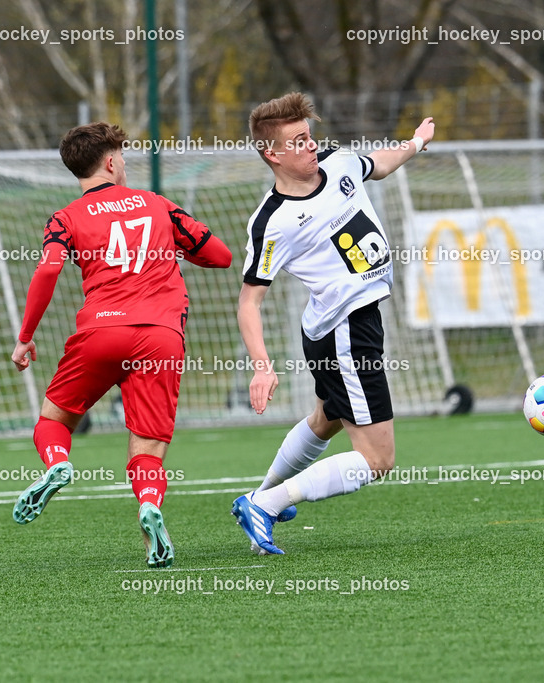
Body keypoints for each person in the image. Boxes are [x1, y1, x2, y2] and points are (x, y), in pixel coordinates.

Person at [10, 122, 232, 568]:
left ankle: (57, 463)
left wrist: (26, 338)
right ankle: (149, 507)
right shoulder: (157, 206)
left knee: (53, 420)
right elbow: (221, 256)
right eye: (122, 157)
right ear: (111, 162)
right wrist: (170, 246)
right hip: (160, 337)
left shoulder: (66, 217)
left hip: (100, 333)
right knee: (147, 445)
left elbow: (48, 272)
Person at [232, 92, 434, 554]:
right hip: (346, 331)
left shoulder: (338, 162)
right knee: (379, 458)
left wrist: (416, 143)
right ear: (271, 154)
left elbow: (378, 164)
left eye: (308, 136)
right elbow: (249, 302)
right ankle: (264, 506)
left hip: (349, 325)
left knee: (326, 420)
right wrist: (262, 366)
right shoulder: (273, 221)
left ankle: (263, 497)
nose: (309, 146)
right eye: (297, 141)